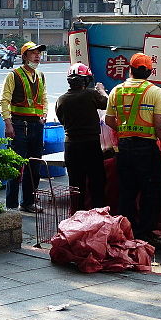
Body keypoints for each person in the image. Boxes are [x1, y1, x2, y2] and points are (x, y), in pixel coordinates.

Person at [105, 52, 161, 245]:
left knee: (127, 190)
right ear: (149, 71)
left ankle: (127, 231)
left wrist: (124, 129)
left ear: (129, 69)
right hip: (146, 148)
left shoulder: (116, 90)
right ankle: (145, 232)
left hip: (124, 148)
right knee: (151, 191)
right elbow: (159, 125)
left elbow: (108, 120)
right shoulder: (154, 91)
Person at [0, 41, 47, 213]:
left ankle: (27, 202)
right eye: (33, 53)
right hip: (18, 125)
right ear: (25, 56)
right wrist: (8, 123)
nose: (37, 56)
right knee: (15, 166)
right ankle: (11, 205)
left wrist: (44, 115)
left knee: (34, 167)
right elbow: (4, 100)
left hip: (36, 125)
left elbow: (44, 98)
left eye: (39, 53)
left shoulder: (40, 76)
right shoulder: (14, 75)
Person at [55, 62, 108, 212]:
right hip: (91, 144)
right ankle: (99, 216)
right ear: (86, 80)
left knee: (75, 184)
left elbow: (62, 120)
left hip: (71, 145)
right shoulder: (91, 94)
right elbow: (107, 104)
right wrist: (102, 91)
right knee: (97, 181)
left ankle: (77, 217)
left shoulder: (61, 100)